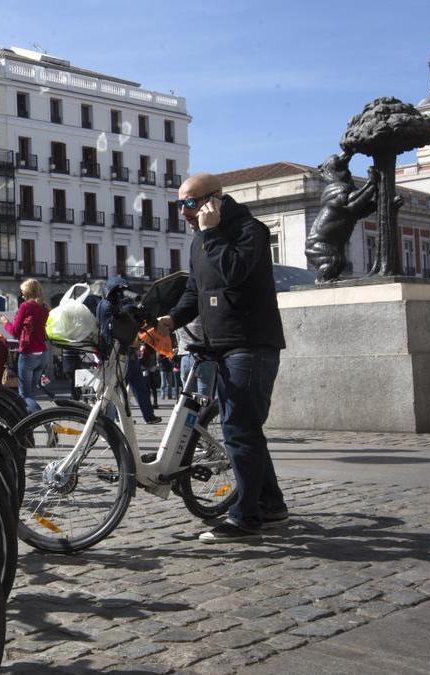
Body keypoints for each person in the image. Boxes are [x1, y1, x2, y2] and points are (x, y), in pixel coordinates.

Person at [157, 172, 288, 543]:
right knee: (245, 430)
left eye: (190, 203)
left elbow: (233, 272)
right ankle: (272, 506)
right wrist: (171, 319)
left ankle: (246, 518)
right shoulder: (200, 240)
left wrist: (212, 232)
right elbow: (195, 290)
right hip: (221, 344)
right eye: (179, 204)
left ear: (215, 199)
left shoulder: (250, 230)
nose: (183, 211)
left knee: (239, 429)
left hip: (251, 343)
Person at [95, 276, 161, 424]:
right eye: (119, 292)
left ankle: (142, 416)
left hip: (124, 352)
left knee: (133, 386)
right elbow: (121, 320)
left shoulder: (105, 305)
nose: (121, 295)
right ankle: (118, 419)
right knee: (117, 388)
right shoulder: (109, 306)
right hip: (118, 353)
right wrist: (135, 312)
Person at [1, 279, 49, 414]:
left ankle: (44, 418)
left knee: (25, 395)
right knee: (31, 394)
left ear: (28, 291)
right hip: (42, 355)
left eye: (22, 291)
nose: (21, 294)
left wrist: (5, 322)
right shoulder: (45, 308)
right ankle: (28, 420)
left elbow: (14, 332)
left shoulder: (25, 307)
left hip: (28, 355)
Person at [177, 317, 217, 396]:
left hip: (185, 358)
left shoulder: (178, 318)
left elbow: (178, 340)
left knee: (188, 400)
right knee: (203, 400)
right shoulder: (202, 315)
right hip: (204, 358)